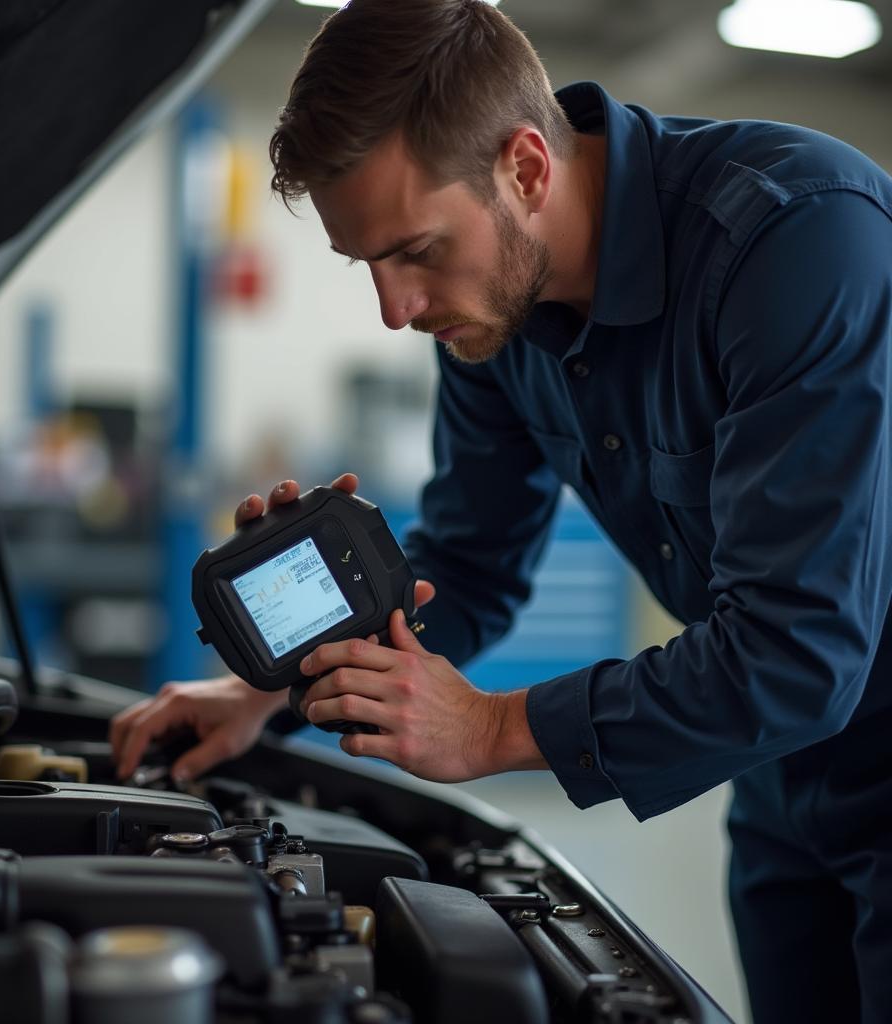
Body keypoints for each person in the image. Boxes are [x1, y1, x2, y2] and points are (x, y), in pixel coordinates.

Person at [110, 1, 892, 1020]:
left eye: (416, 251)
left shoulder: (796, 238)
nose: (395, 309)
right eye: (367, 267)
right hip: (782, 776)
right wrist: (281, 683)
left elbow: (796, 650)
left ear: (525, 168)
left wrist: (492, 726)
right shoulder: (491, 317)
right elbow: (468, 570)